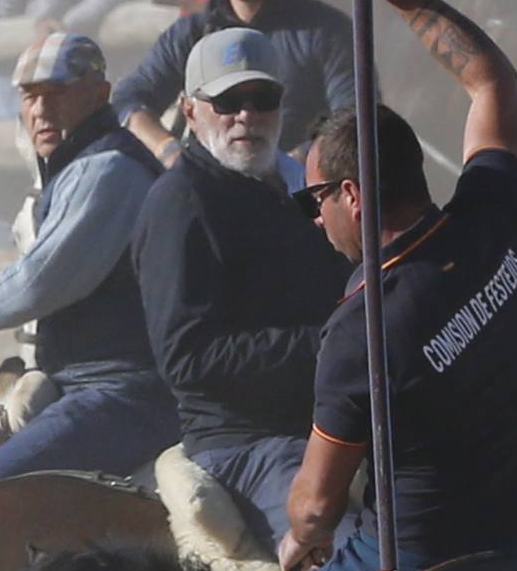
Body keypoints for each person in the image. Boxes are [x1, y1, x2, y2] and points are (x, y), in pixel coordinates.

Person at [176, 0, 517, 571]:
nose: (313, 220)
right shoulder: (497, 216)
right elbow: (491, 77)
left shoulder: (361, 326)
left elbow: (317, 506)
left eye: (314, 201)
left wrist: (298, 536)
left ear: (352, 193)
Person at [0, 34, 176, 489]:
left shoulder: (106, 170)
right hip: (88, 383)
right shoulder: (81, 164)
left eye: (58, 93)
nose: (41, 111)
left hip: (125, 393)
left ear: (99, 94)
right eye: (30, 97)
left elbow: (40, 281)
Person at [131, 29, 352, 543]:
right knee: (346, 546)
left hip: (332, 421)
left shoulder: (304, 190)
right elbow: (187, 357)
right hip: (245, 443)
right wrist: (330, 344)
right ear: (189, 110)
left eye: (262, 99)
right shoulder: (180, 205)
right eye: (227, 102)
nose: (246, 116)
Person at [118, 0, 356, 175]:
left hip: (295, 191)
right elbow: (128, 100)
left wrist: (292, 165)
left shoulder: (328, 31)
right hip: (204, 190)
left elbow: (354, 119)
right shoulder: (191, 35)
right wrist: (169, 152)